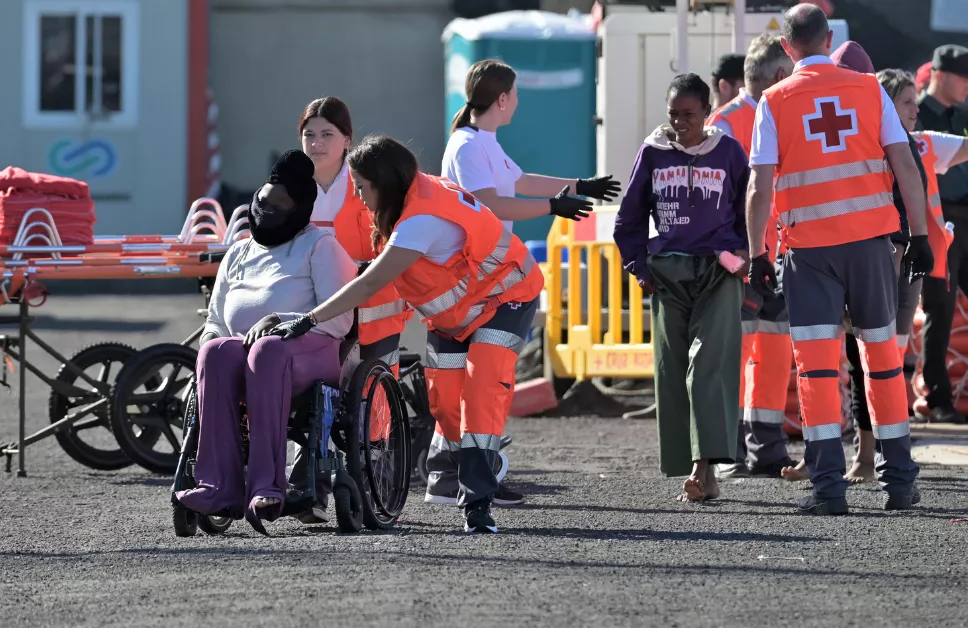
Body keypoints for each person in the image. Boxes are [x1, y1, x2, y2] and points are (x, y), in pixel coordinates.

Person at [271, 134, 545, 534]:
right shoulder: (411, 199)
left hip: (505, 300)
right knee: (446, 404)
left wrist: (309, 319)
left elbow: (371, 283)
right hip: (455, 316)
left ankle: (478, 503)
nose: (358, 196)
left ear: (381, 182)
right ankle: (466, 470)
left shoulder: (420, 221)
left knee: (481, 391)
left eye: (362, 187)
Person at [744, 4, 932, 515]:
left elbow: (760, 185)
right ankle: (900, 483)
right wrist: (918, 236)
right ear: (829, 40)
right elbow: (905, 166)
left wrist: (758, 252)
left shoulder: (775, 101)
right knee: (884, 363)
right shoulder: (870, 90)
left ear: (787, 48)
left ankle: (829, 489)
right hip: (872, 246)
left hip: (809, 254)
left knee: (819, 370)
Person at [432, 58, 621, 507]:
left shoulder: (480, 142)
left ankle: (449, 474)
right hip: (478, 280)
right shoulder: (468, 146)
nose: (517, 102)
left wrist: (579, 184)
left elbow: (518, 181)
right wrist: (553, 207)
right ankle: (463, 476)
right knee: (482, 381)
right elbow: (494, 204)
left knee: (465, 381)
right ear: (501, 99)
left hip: (483, 279)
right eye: (514, 94)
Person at [175, 150, 358, 535]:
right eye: (263, 201)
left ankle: (266, 487)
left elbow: (340, 320)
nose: (266, 209)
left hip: (308, 353)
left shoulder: (319, 247)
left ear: (298, 210)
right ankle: (218, 486)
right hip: (248, 355)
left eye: (279, 205)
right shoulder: (239, 252)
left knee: (267, 349)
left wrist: (283, 322)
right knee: (213, 350)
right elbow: (213, 321)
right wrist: (212, 346)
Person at [613, 73, 750, 502]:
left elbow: (751, 206)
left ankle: (702, 469)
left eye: (689, 115)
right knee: (672, 372)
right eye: (673, 114)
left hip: (718, 272)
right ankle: (691, 467)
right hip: (668, 275)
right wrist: (639, 268)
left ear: (708, 113)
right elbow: (628, 219)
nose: (679, 123)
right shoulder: (652, 154)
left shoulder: (729, 152)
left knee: (706, 367)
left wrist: (746, 258)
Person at [287, 96, 414, 524]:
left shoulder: (362, 183)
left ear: (347, 140)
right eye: (309, 135)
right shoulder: (293, 184)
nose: (317, 144)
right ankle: (312, 486)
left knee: (372, 399)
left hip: (375, 303)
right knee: (317, 389)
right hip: (318, 305)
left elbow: (389, 239)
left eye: (327, 135)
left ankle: (371, 481)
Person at [706, 33, 798, 480]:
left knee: (771, 353)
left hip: (772, 255)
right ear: (780, 75)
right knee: (738, 353)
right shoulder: (727, 122)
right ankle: (728, 452)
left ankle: (764, 449)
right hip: (746, 258)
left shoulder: (742, 118)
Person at [914, 44, 968, 424]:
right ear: (942, 74)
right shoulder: (911, 115)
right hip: (937, 221)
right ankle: (936, 398)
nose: (967, 85)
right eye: (963, 77)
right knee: (939, 308)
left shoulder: (963, 115)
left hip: (966, 217)